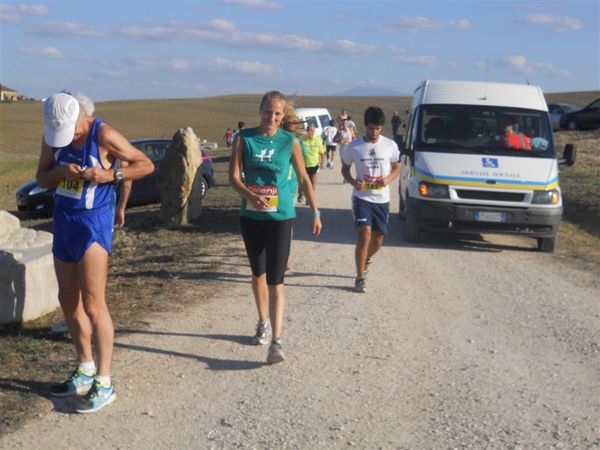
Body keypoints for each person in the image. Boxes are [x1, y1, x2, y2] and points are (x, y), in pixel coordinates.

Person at [37, 92, 153, 413]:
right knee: (68, 299)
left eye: (72, 129)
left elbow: (145, 164)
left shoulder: (104, 134)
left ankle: (104, 381)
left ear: (82, 116)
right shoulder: (53, 135)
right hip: (64, 221)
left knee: (93, 302)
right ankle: (85, 368)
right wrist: (60, 174)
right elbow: (41, 177)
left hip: (93, 223)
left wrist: (109, 175)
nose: (68, 137)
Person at [229, 90, 322, 364]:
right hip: (252, 217)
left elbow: (304, 178)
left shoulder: (290, 141)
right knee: (258, 274)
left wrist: (316, 211)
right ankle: (262, 321)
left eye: (277, 114)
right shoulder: (243, 139)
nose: (271, 117)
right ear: (260, 111)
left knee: (276, 280)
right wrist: (250, 196)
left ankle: (276, 342)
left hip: (281, 217)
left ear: (283, 117)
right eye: (268, 112)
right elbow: (234, 178)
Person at [341, 106, 400, 293]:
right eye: (371, 128)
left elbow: (397, 167)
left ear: (382, 127)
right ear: (365, 126)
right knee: (364, 233)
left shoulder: (390, 145)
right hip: (362, 197)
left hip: (381, 199)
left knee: (378, 239)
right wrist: (353, 182)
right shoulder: (354, 146)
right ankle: (359, 278)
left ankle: (366, 258)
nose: (374, 132)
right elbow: (344, 169)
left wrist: (387, 180)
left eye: (378, 128)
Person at [297, 123, 325, 204]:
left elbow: (322, 153)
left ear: (314, 131)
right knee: (302, 182)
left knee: (312, 183)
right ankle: (301, 194)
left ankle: (309, 198)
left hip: (314, 164)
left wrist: (322, 164)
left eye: (312, 130)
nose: (310, 132)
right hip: (303, 164)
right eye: (308, 130)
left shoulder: (318, 139)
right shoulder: (302, 139)